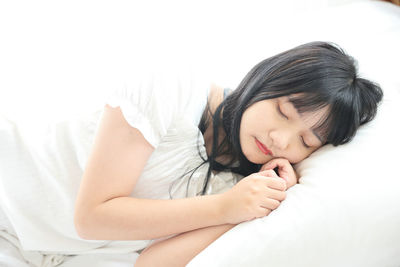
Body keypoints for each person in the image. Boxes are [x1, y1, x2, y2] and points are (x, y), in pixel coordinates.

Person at [0, 41, 382, 267]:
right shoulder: (171, 88)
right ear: (266, 79)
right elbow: (92, 217)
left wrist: (252, 207)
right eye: (284, 111)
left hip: (40, 253)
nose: (282, 141)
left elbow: (150, 264)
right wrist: (227, 208)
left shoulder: (239, 184)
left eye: (306, 142)